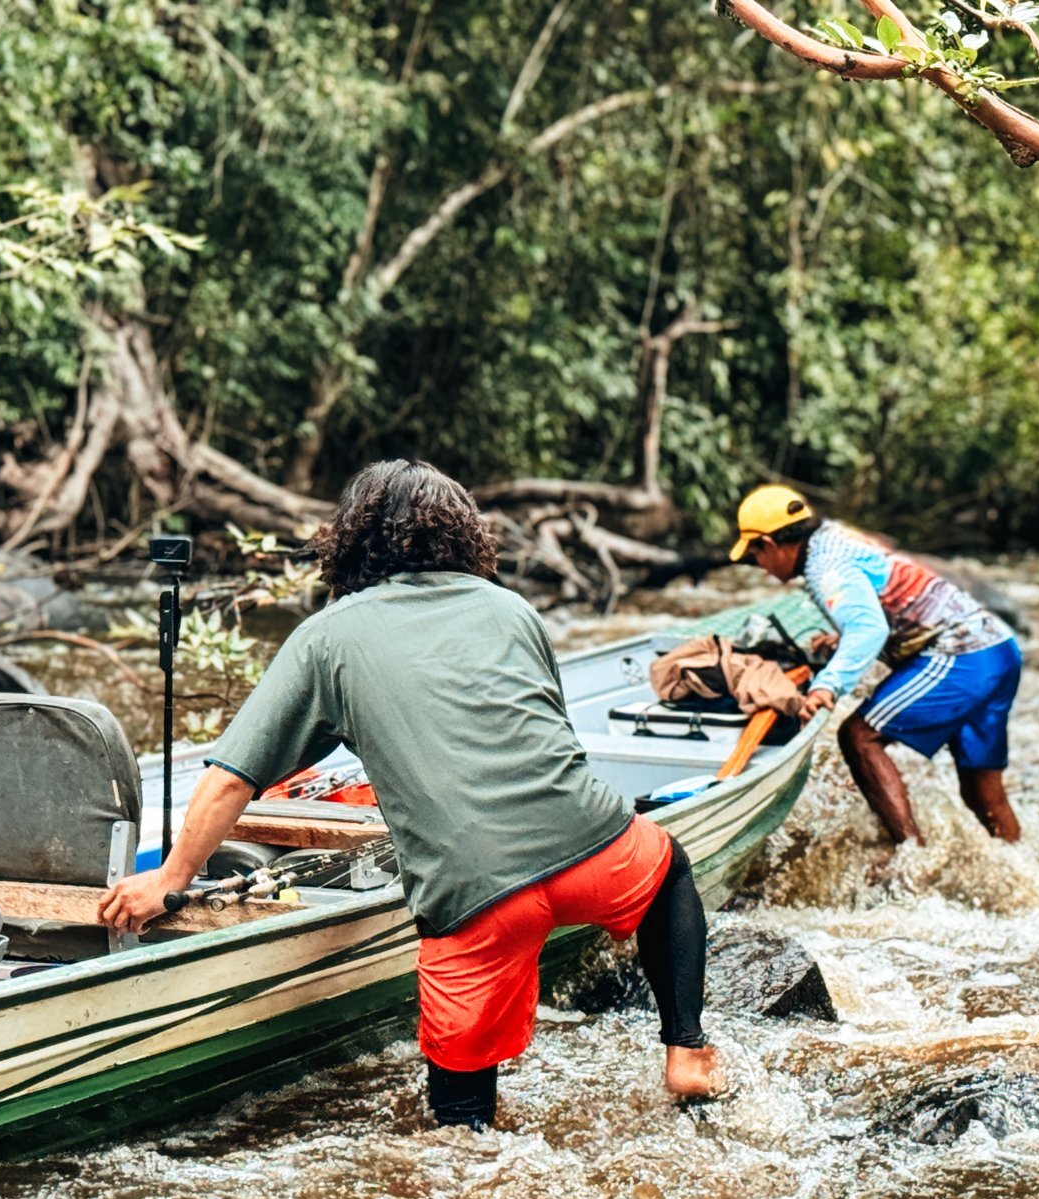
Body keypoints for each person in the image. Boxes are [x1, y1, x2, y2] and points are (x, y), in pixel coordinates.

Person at [99, 460, 721, 1128]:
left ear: (351, 540)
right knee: (670, 872)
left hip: (472, 897)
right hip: (594, 849)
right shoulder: (513, 609)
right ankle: (686, 1049)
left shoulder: (327, 636)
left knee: (461, 1129)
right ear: (463, 534)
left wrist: (169, 881)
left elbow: (230, 778)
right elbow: (542, 740)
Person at [728, 484, 1021, 846]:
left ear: (769, 544)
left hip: (963, 654)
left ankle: (911, 856)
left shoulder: (825, 568)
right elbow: (881, 590)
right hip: (999, 647)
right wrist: (843, 635)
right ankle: (1017, 857)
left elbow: (869, 629)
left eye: (754, 556)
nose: (760, 567)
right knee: (981, 790)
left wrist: (827, 685)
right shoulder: (836, 535)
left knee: (858, 736)